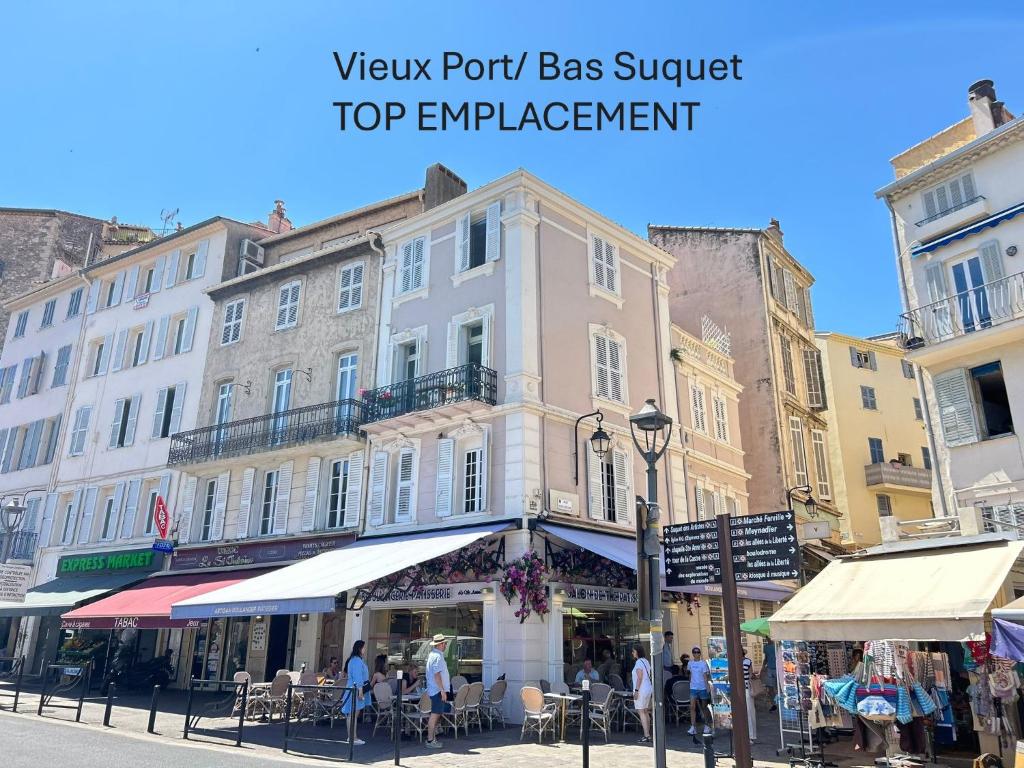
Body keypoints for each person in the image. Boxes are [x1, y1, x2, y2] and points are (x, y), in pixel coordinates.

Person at [425, 634, 451, 750]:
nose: (445, 645)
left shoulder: (434, 655)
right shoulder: (438, 657)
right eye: (444, 643)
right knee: (435, 715)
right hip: (436, 690)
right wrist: (442, 690)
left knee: (436, 714)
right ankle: (430, 740)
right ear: (440, 644)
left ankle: (432, 738)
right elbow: (437, 675)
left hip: (434, 690)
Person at [342, 641, 371, 746]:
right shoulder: (357, 661)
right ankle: (352, 737)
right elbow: (358, 677)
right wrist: (360, 691)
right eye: (363, 647)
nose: (365, 649)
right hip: (355, 690)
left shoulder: (354, 660)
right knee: (353, 714)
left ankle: (352, 736)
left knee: (352, 714)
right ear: (360, 648)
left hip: (352, 688)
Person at [688, 646, 713, 736]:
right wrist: (690, 685)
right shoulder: (690, 663)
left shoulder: (703, 663)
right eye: (694, 652)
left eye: (698, 652)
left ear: (700, 653)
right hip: (693, 687)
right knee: (692, 706)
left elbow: (705, 676)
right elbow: (690, 675)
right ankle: (693, 726)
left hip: (702, 687)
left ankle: (707, 725)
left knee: (704, 707)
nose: (696, 654)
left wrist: (707, 688)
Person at [632, 644, 654, 743]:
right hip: (648, 688)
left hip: (641, 689)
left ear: (637, 652)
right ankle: (648, 734)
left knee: (641, 712)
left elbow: (639, 677)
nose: (632, 653)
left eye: (633, 651)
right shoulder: (646, 661)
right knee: (645, 711)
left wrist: (636, 691)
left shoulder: (638, 663)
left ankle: (646, 735)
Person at [742, 649, 757, 743]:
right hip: (742, 687)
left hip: (747, 687)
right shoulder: (747, 661)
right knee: (748, 711)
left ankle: (751, 735)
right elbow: (751, 674)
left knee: (749, 711)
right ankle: (748, 735)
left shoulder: (748, 661)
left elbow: (751, 674)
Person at [761, 641, 777, 712]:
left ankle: (779, 703)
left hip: (778, 669)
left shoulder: (778, 645)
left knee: (778, 688)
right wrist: (763, 667)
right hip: (770, 669)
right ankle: (774, 704)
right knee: (771, 688)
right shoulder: (766, 647)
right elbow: (766, 658)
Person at [662, 631, 678, 701]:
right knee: (665, 686)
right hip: (665, 669)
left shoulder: (668, 646)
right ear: (666, 637)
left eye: (672, 638)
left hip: (670, 668)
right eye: (670, 638)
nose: (672, 639)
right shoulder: (662, 646)